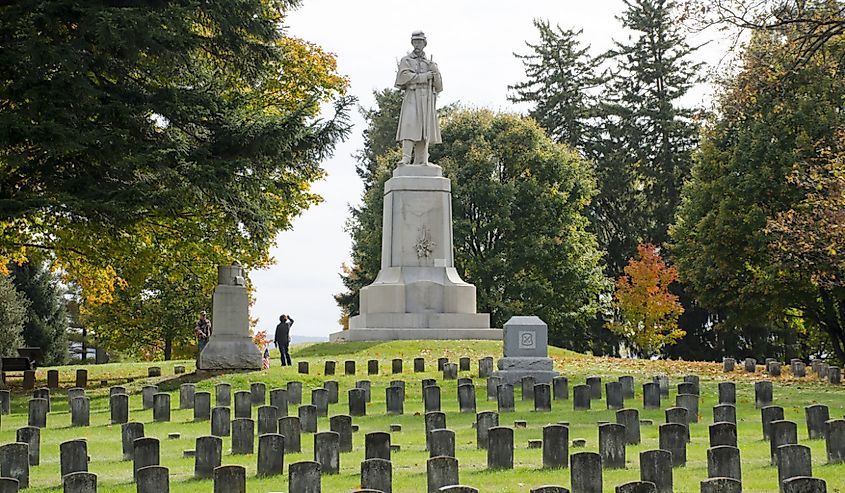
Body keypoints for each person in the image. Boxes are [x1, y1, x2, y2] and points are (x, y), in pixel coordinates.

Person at [395, 30, 442, 165]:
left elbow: (439, 86)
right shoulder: (407, 61)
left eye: (420, 41)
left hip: (427, 98)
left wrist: (435, 72)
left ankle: (421, 160)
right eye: (415, 41)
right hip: (412, 96)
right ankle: (406, 157)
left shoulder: (430, 63)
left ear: (424, 43)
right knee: (409, 125)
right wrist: (423, 77)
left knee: (424, 129)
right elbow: (403, 78)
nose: (417, 44)